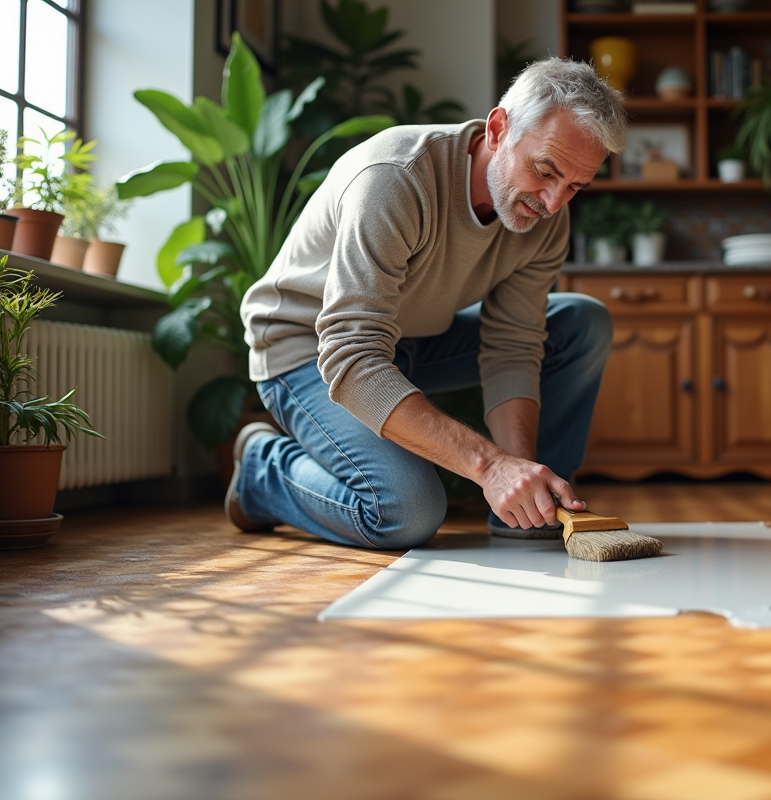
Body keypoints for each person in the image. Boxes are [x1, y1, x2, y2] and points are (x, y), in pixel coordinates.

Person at [226, 57, 628, 550]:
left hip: (413, 340)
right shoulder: (394, 178)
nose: (553, 202)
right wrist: (490, 465)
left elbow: (513, 346)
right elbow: (353, 360)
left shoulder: (546, 217)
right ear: (499, 129)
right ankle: (262, 471)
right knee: (405, 513)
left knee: (579, 323)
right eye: (545, 171)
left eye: (575, 186)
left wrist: (518, 470)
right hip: (309, 351)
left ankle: (537, 506)